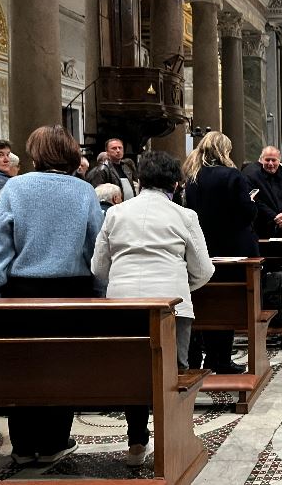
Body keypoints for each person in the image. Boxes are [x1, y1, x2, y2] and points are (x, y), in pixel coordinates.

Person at [0, 125, 103, 465]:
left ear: (35, 153)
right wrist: (100, 289)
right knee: (63, 365)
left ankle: (22, 446)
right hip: (72, 292)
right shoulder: (84, 191)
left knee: (22, 364)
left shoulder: (14, 188)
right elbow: (97, 247)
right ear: (71, 155)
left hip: (23, 291)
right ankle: (53, 443)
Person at [91, 151, 214, 466]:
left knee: (132, 372)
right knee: (175, 373)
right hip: (171, 305)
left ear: (139, 180)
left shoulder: (116, 213)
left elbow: (98, 267)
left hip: (124, 304)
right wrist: (183, 285)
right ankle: (174, 443)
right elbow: (204, 269)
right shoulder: (184, 215)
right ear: (175, 183)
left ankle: (135, 443)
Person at [182, 131, 257, 374]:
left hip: (204, 247)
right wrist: (252, 203)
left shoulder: (193, 177)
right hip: (234, 248)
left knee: (208, 300)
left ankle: (208, 353)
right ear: (224, 151)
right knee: (230, 302)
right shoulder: (232, 176)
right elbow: (246, 213)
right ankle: (220, 358)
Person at [243, 146, 282, 238]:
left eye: (273, 160)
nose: (270, 163)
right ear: (262, 160)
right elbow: (257, 203)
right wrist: (277, 218)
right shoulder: (252, 179)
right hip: (264, 231)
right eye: (267, 160)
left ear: (279, 160)